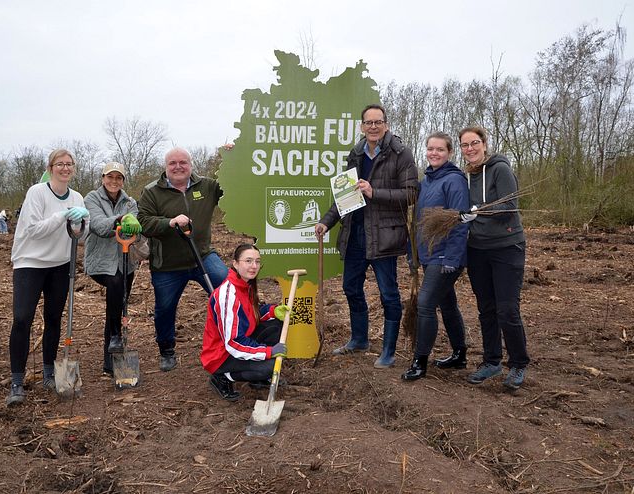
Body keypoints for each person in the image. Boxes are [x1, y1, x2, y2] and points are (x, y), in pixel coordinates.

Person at [314, 104, 418, 368]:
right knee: (351, 288)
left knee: (388, 294)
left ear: (386, 124)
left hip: (384, 237)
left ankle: (388, 351)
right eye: (368, 122)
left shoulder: (401, 153)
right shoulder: (357, 153)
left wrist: (375, 192)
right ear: (361, 126)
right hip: (355, 234)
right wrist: (326, 222)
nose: (373, 127)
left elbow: (411, 194)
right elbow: (347, 195)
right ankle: (359, 339)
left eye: (378, 122)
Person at [6, 148, 89, 407]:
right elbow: (34, 230)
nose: (65, 168)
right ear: (51, 167)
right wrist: (62, 215)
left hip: (60, 264)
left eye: (69, 164)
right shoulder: (37, 192)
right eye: (60, 164)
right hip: (30, 263)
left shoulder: (77, 197)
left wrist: (80, 225)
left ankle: (49, 374)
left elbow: (82, 237)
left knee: (53, 319)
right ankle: (17, 381)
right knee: (22, 319)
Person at [138, 147, 229, 372]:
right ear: (165, 167)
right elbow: (144, 222)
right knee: (165, 308)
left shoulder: (208, 186)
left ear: (191, 164)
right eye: (172, 163)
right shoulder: (152, 191)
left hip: (203, 255)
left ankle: (233, 342)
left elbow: (234, 186)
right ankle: (166, 350)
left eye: (183, 162)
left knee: (228, 291)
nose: (178, 167)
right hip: (167, 264)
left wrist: (232, 158)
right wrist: (169, 223)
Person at [458, 126, 529, 390]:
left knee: (507, 309)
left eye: (474, 143)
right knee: (486, 308)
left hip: (507, 247)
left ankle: (518, 364)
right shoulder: (467, 176)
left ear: (485, 144)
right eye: (465, 146)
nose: (470, 149)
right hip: (477, 249)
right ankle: (491, 361)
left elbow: (512, 204)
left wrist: (480, 211)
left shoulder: (500, 169)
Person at [401, 132, 469, 381]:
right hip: (429, 255)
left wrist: (452, 258)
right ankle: (460, 354)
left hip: (445, 257)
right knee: (448, 304)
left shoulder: (454, 181)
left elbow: (460, 222)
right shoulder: (427, 181)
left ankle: (420, 361)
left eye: (439, 149)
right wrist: (413, 253)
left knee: (425, 305)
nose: (434, 153)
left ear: (449, 152)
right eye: (430, 149)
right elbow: (417, 223)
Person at [201, 244, 289, 400]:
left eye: (257, 261)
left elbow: (249, 316)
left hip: (240, 341)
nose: (254, 266)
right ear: (235, 263)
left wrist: (272, 311)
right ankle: (222, 377)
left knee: (276, 325)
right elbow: (233, 343)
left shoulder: (246, 285)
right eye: (248, 261)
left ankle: (257, 379)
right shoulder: (227, 295)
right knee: (269, 366)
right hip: (221, 355)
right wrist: (267, 352)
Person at [84, 162, 142, 376]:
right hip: (100, 261)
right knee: (115, 284)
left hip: (125, 261)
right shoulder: (91, 198)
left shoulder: (130, 202)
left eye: (118, 178)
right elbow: (98, 225)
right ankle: (116, 334)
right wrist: (120, 219)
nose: (114, 181)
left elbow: (133, 226)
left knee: (116, 304)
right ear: (102, 178)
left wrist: (132, 225)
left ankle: (111, 360)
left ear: (123, 181)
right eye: (110, 177)